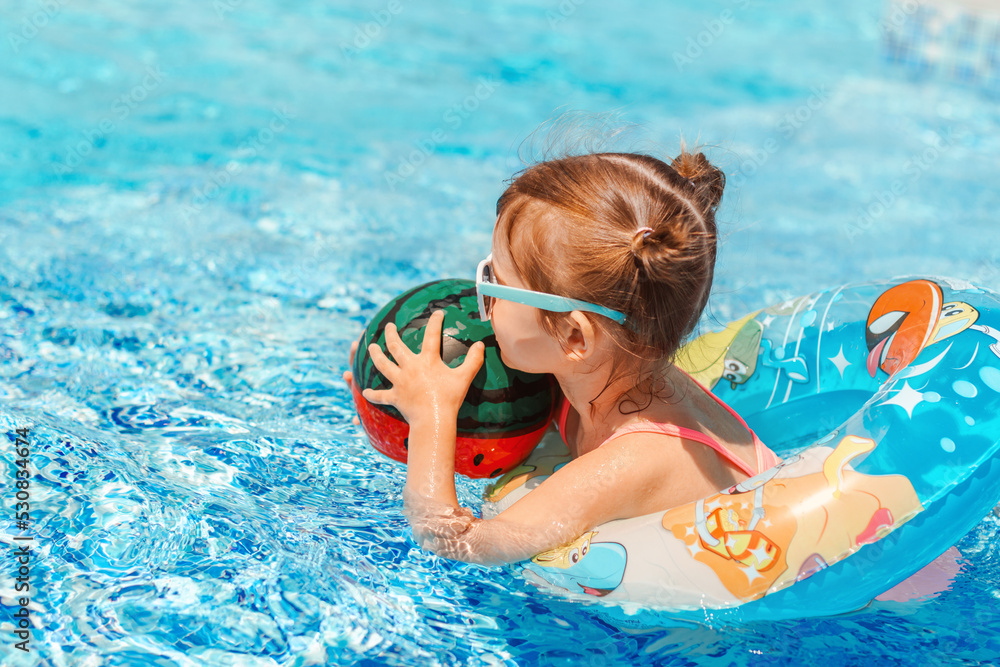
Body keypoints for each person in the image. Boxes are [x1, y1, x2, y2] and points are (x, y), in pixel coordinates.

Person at [342, 149, 780, 565]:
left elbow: (454, 540)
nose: (481, 297)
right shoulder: (600, 372)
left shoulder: (634, 460)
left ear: (573, 335)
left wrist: (430, 416)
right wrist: (385, 394)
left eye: (495, 281)